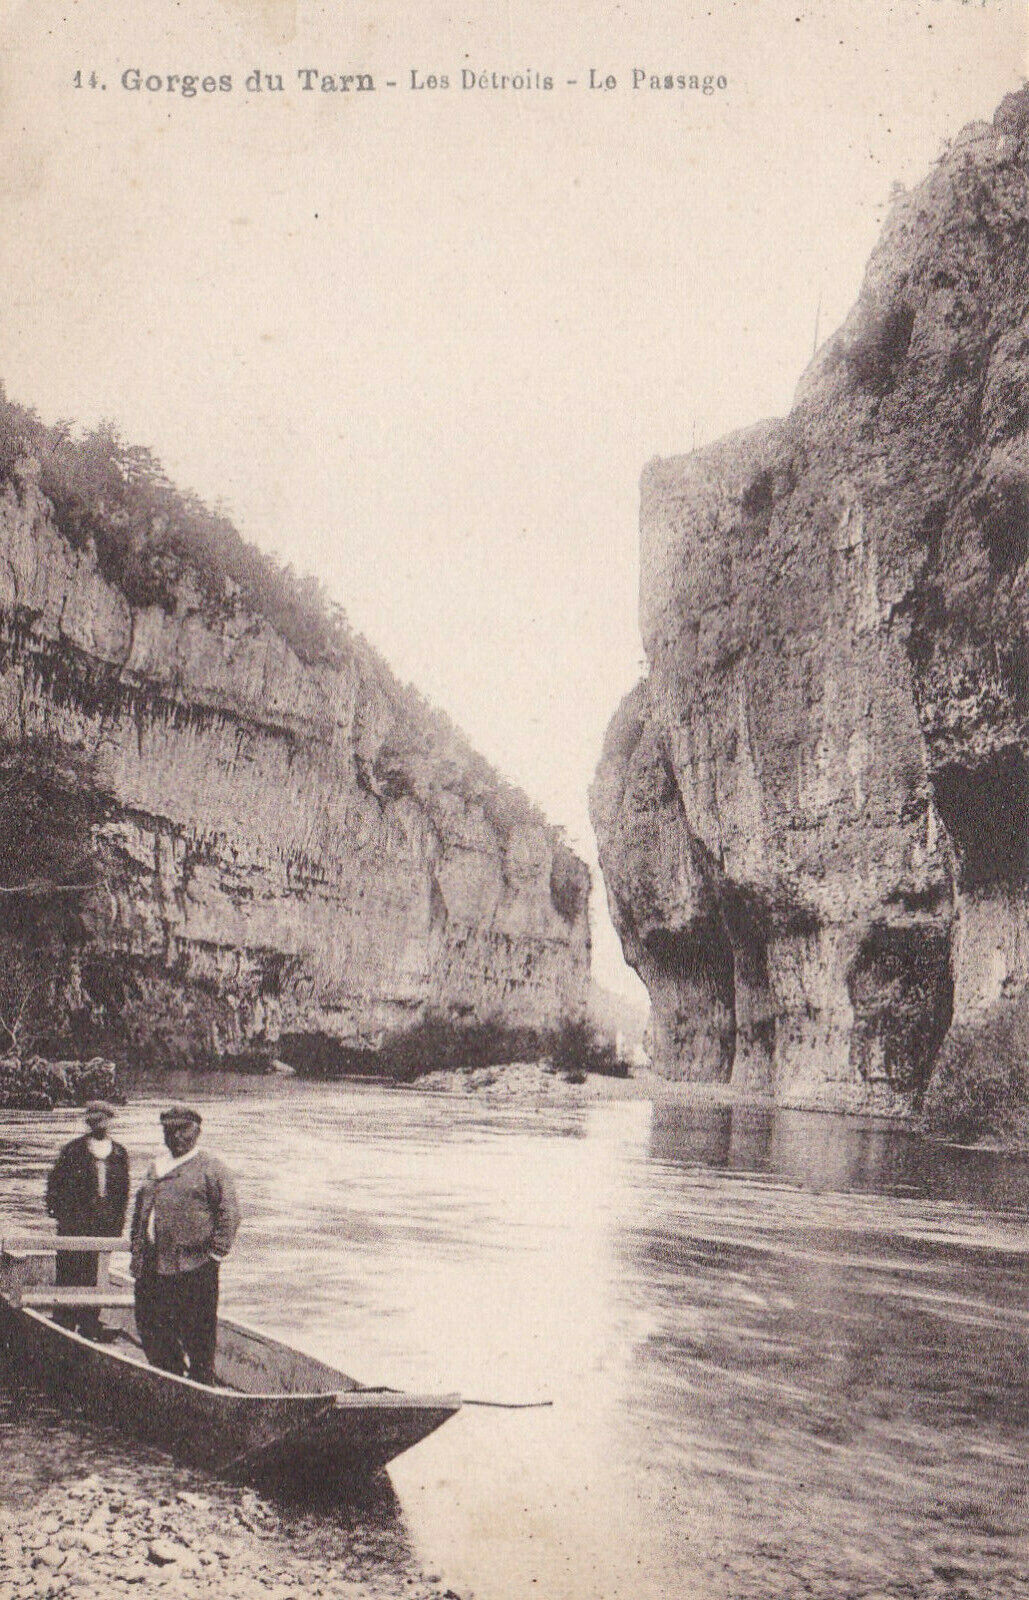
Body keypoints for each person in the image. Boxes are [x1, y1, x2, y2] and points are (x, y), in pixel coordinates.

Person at [129, 1104, 240, 1385]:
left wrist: (215, 1253)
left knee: (198, 1329)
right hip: (155, 1261)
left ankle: (202, 1381)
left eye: (183, 1130)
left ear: (197, 1132)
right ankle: (170, 1376)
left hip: (195, 1264)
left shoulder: (212, 1168)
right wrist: (138, 1251)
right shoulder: (156, 1167)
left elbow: (230, 1213)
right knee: (150, 1321)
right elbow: (141, 1209)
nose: (176, 1137)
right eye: (169, 1131)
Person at [45, 1100, 130, 1339]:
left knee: (97, 1274)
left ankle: (90, 1323)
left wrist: (117, 1226)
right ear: (89, 1123)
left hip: (104, 1226)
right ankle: (63, 1321)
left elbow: (123, 1193)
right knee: (69, 1271)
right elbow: (54, 1187)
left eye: (103, 1120)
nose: (99, 1125)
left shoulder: (119, 1153)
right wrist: (62, 1216)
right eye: (95, 1120)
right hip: (74, 1224)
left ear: (110, 1122)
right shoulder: (73, 1150)